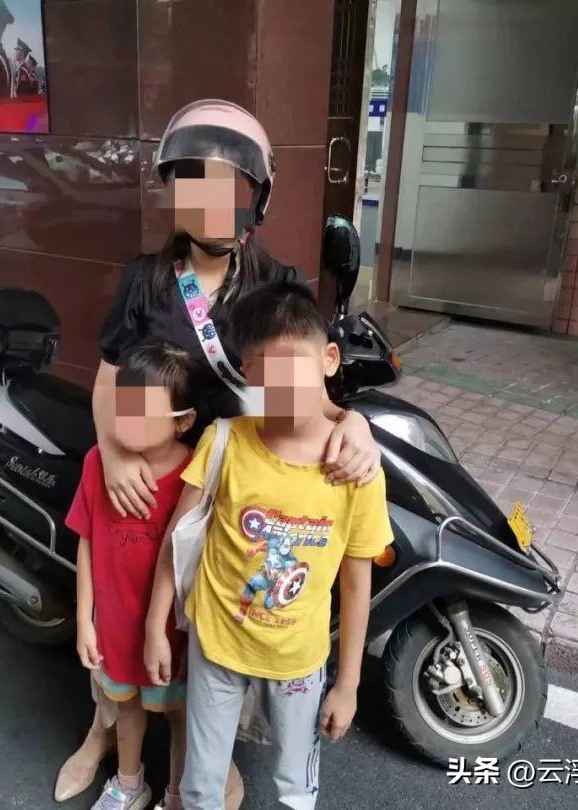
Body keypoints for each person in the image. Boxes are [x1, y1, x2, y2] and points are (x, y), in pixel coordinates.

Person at [53, 99, 382, 806]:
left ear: (255, 197)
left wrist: (352, 422)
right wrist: (116, 454)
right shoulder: (145, 278)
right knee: (125, 612)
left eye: (228, 186)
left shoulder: (277, 282)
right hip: (150, 471)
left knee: (210, 627)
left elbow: (305, 379)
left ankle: (200, 754)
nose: (210, 202)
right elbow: (110, 379)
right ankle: (104, 729)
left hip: (232, 483)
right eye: (194, 184)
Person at [144, 281, 392, 809]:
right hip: (217, 646)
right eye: (266, 378)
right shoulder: (225, 442)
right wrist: (155, 628)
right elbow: (177, 540)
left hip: (299, 662)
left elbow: (356, 584)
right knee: (200, 784)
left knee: (295, 784)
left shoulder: (355, 470)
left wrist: (347, 684)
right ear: (248, 377)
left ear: (328, 359)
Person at [67, 342, 198, 810]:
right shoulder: (97, 464)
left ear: (184, 421)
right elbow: (87, 540)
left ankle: (177, 794)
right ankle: (128, 783)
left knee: (180, 712)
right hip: (115, 625)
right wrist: (86, 620)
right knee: (126, 706)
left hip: (174, 632)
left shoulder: (195, 477)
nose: (129, 420)